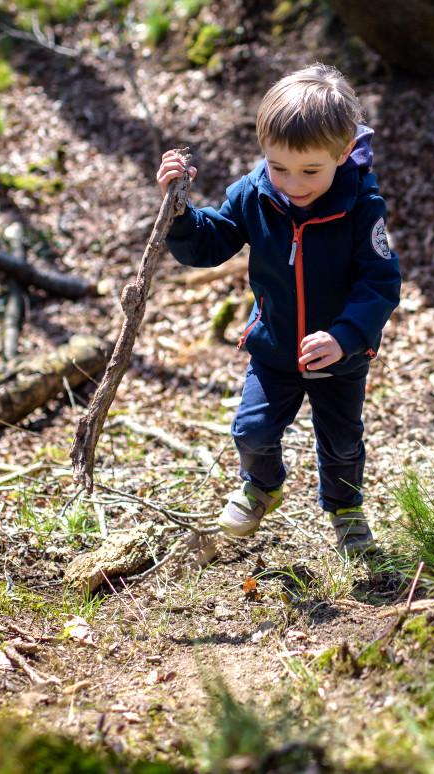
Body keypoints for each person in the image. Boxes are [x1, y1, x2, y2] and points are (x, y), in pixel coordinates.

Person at [157, 64, 401, 552]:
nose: (293, 182)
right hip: (274, 348)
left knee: (342, 442)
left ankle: (346, 509)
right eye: (279, 167)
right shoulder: (255, 194)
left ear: (344, 152)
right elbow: (210, 244)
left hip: (338, 356)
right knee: (251, 429)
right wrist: (180, 214)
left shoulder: (361, 206)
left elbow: (381, 281)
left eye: (311, 170)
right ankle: (262, 486)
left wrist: (346, 336)